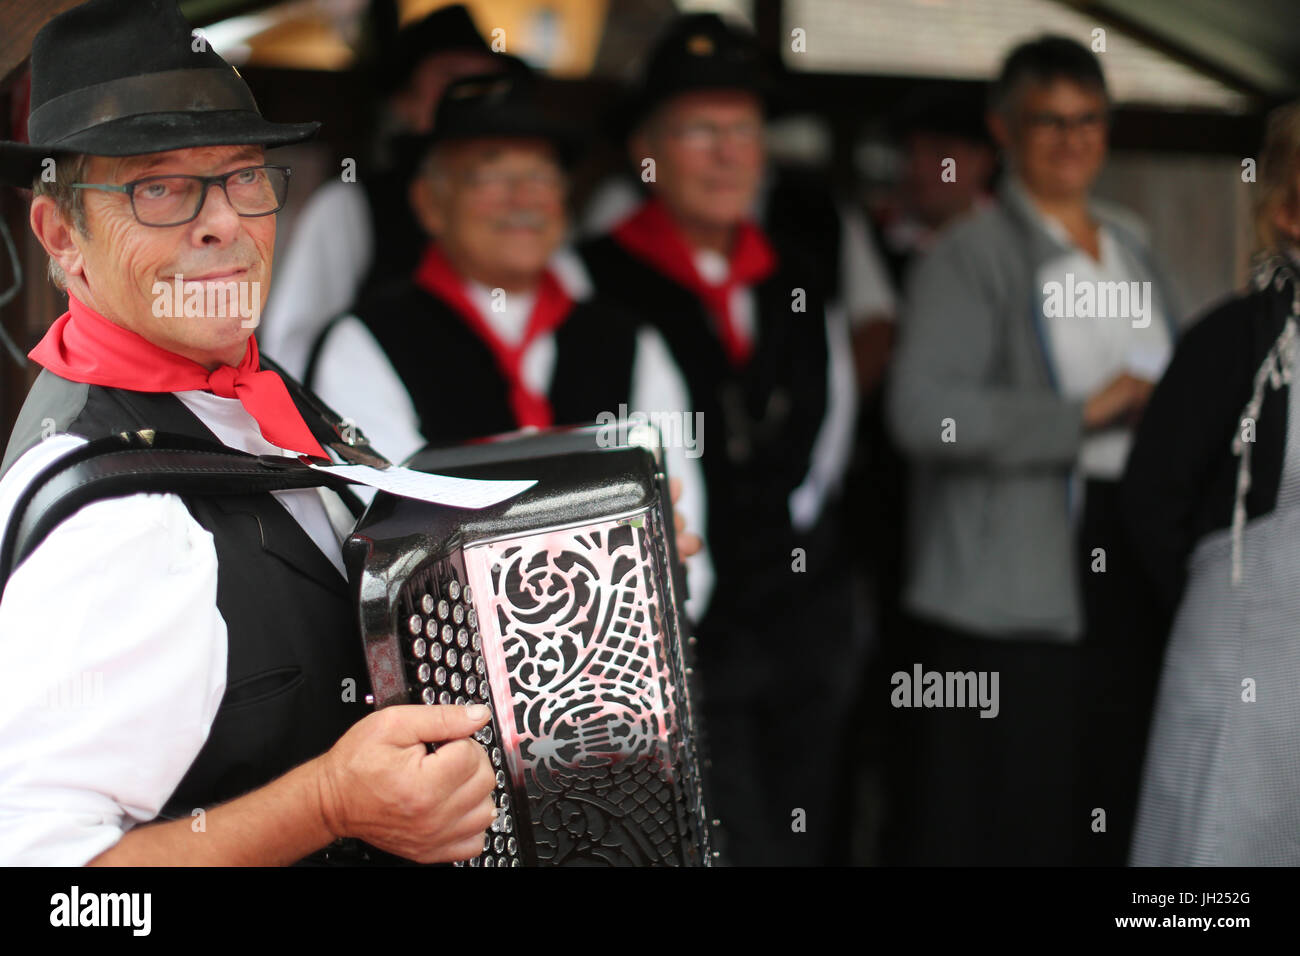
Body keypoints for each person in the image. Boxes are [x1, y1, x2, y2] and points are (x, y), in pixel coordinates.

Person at [0, 0, 498, 865]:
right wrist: (328, 803)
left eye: (243, 176)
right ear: (61, 236)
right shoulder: (113, 527)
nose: (224, 220)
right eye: (157, 186)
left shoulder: (254, 392)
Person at [884, 35, 1182, 865]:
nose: (1071, 140)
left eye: (1088, 120)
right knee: (1012, 817)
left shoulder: (1132, 245)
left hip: (1127, 559)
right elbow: (921, 415)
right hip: (1011, 582)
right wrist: (1080, 412)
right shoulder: (970, 254)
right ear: (1005, 131)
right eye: (1047, 122)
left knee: (1108, 798)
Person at [579, 13, 859, 866]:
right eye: (701, 130)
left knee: (806, 823)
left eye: (743, 129)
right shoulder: (592, 276)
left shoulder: (797, 274)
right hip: (678, 628)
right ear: (646, 152)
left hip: (797, 614)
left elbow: (831, 428)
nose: (729, 152)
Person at [304, 69, 707, 616]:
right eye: (489, 176)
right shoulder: (366, 342)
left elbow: (678, 521)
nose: (523, 199)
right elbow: (393, 539)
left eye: (541, 177)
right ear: (428, 202)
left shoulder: (627, 339)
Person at [1125, 102, 1300, 866]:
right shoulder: (1233, 340)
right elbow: (1152, 499)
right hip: (1240, 659)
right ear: (1289, 211)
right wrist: (1233, 608)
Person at [259, 3, 519, 379]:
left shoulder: (529, 204)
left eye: (486, 82)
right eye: (452, 78)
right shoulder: (349, 207)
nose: (470, 97)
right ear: (404, 101)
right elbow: (296, 346)